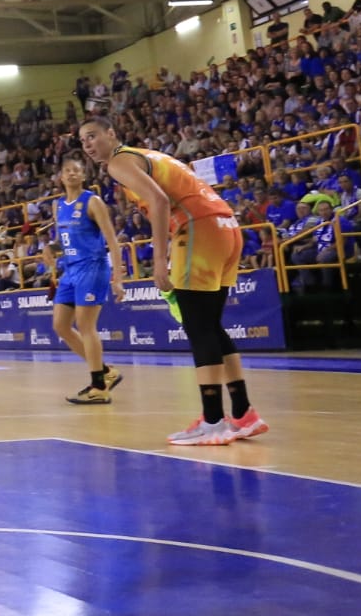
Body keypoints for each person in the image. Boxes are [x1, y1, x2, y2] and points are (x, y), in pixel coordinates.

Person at [80, 116, 266, 447]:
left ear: (112, 133)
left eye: (93, 136)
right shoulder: (147, 155)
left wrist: (160, 258)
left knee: (198, 327)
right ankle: (242, 414)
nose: (89, 145)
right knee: (210, 325)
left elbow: (160, 202)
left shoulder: (119, 162)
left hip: (199, 229)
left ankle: (212, 421)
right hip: (226, 228)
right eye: (83, 142)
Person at [50, 155, 124, 406]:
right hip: (70, 270)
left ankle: (99, 387)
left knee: (85, 325)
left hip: (93, 267)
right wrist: (51, 247)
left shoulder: (92, 202)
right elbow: (65, 238)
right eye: (67, 170)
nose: (71, 173)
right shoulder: (57, 205)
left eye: (76, 170)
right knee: (60, 325)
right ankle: (105, 371)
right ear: (61, 177)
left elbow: (113, 241)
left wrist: (119, 278)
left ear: (83, 176)